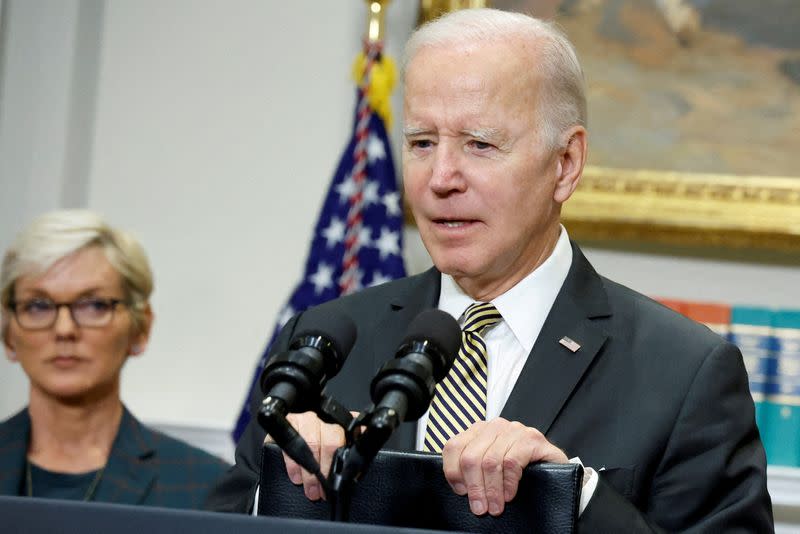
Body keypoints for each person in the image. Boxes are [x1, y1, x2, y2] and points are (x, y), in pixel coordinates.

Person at [206, 8, 772, 531]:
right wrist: (279, 491)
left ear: (565, 163)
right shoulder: (327, 340)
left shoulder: (683, 372)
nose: (441, 177)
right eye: (422, 142)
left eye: (479, 144)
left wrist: (575, 498)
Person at [0, 209, 229, 508]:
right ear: (8, 335)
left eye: (94, 305)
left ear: (141, 328)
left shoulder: (205, 486)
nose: (64, 329)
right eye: (38, 306)